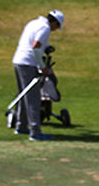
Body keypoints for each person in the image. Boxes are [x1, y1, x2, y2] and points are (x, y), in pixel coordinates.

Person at [11, 10, 64, 141]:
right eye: (57, 26)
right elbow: (35, 47)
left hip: (18, 61)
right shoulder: (45, 28)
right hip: (28, 64)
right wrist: (42, 66)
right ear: (54, 22)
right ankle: (35, 132)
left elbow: (34, 44)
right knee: (33, 98)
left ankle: (21, 126)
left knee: (23, 95)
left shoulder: (34, 23)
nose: (55, 30)